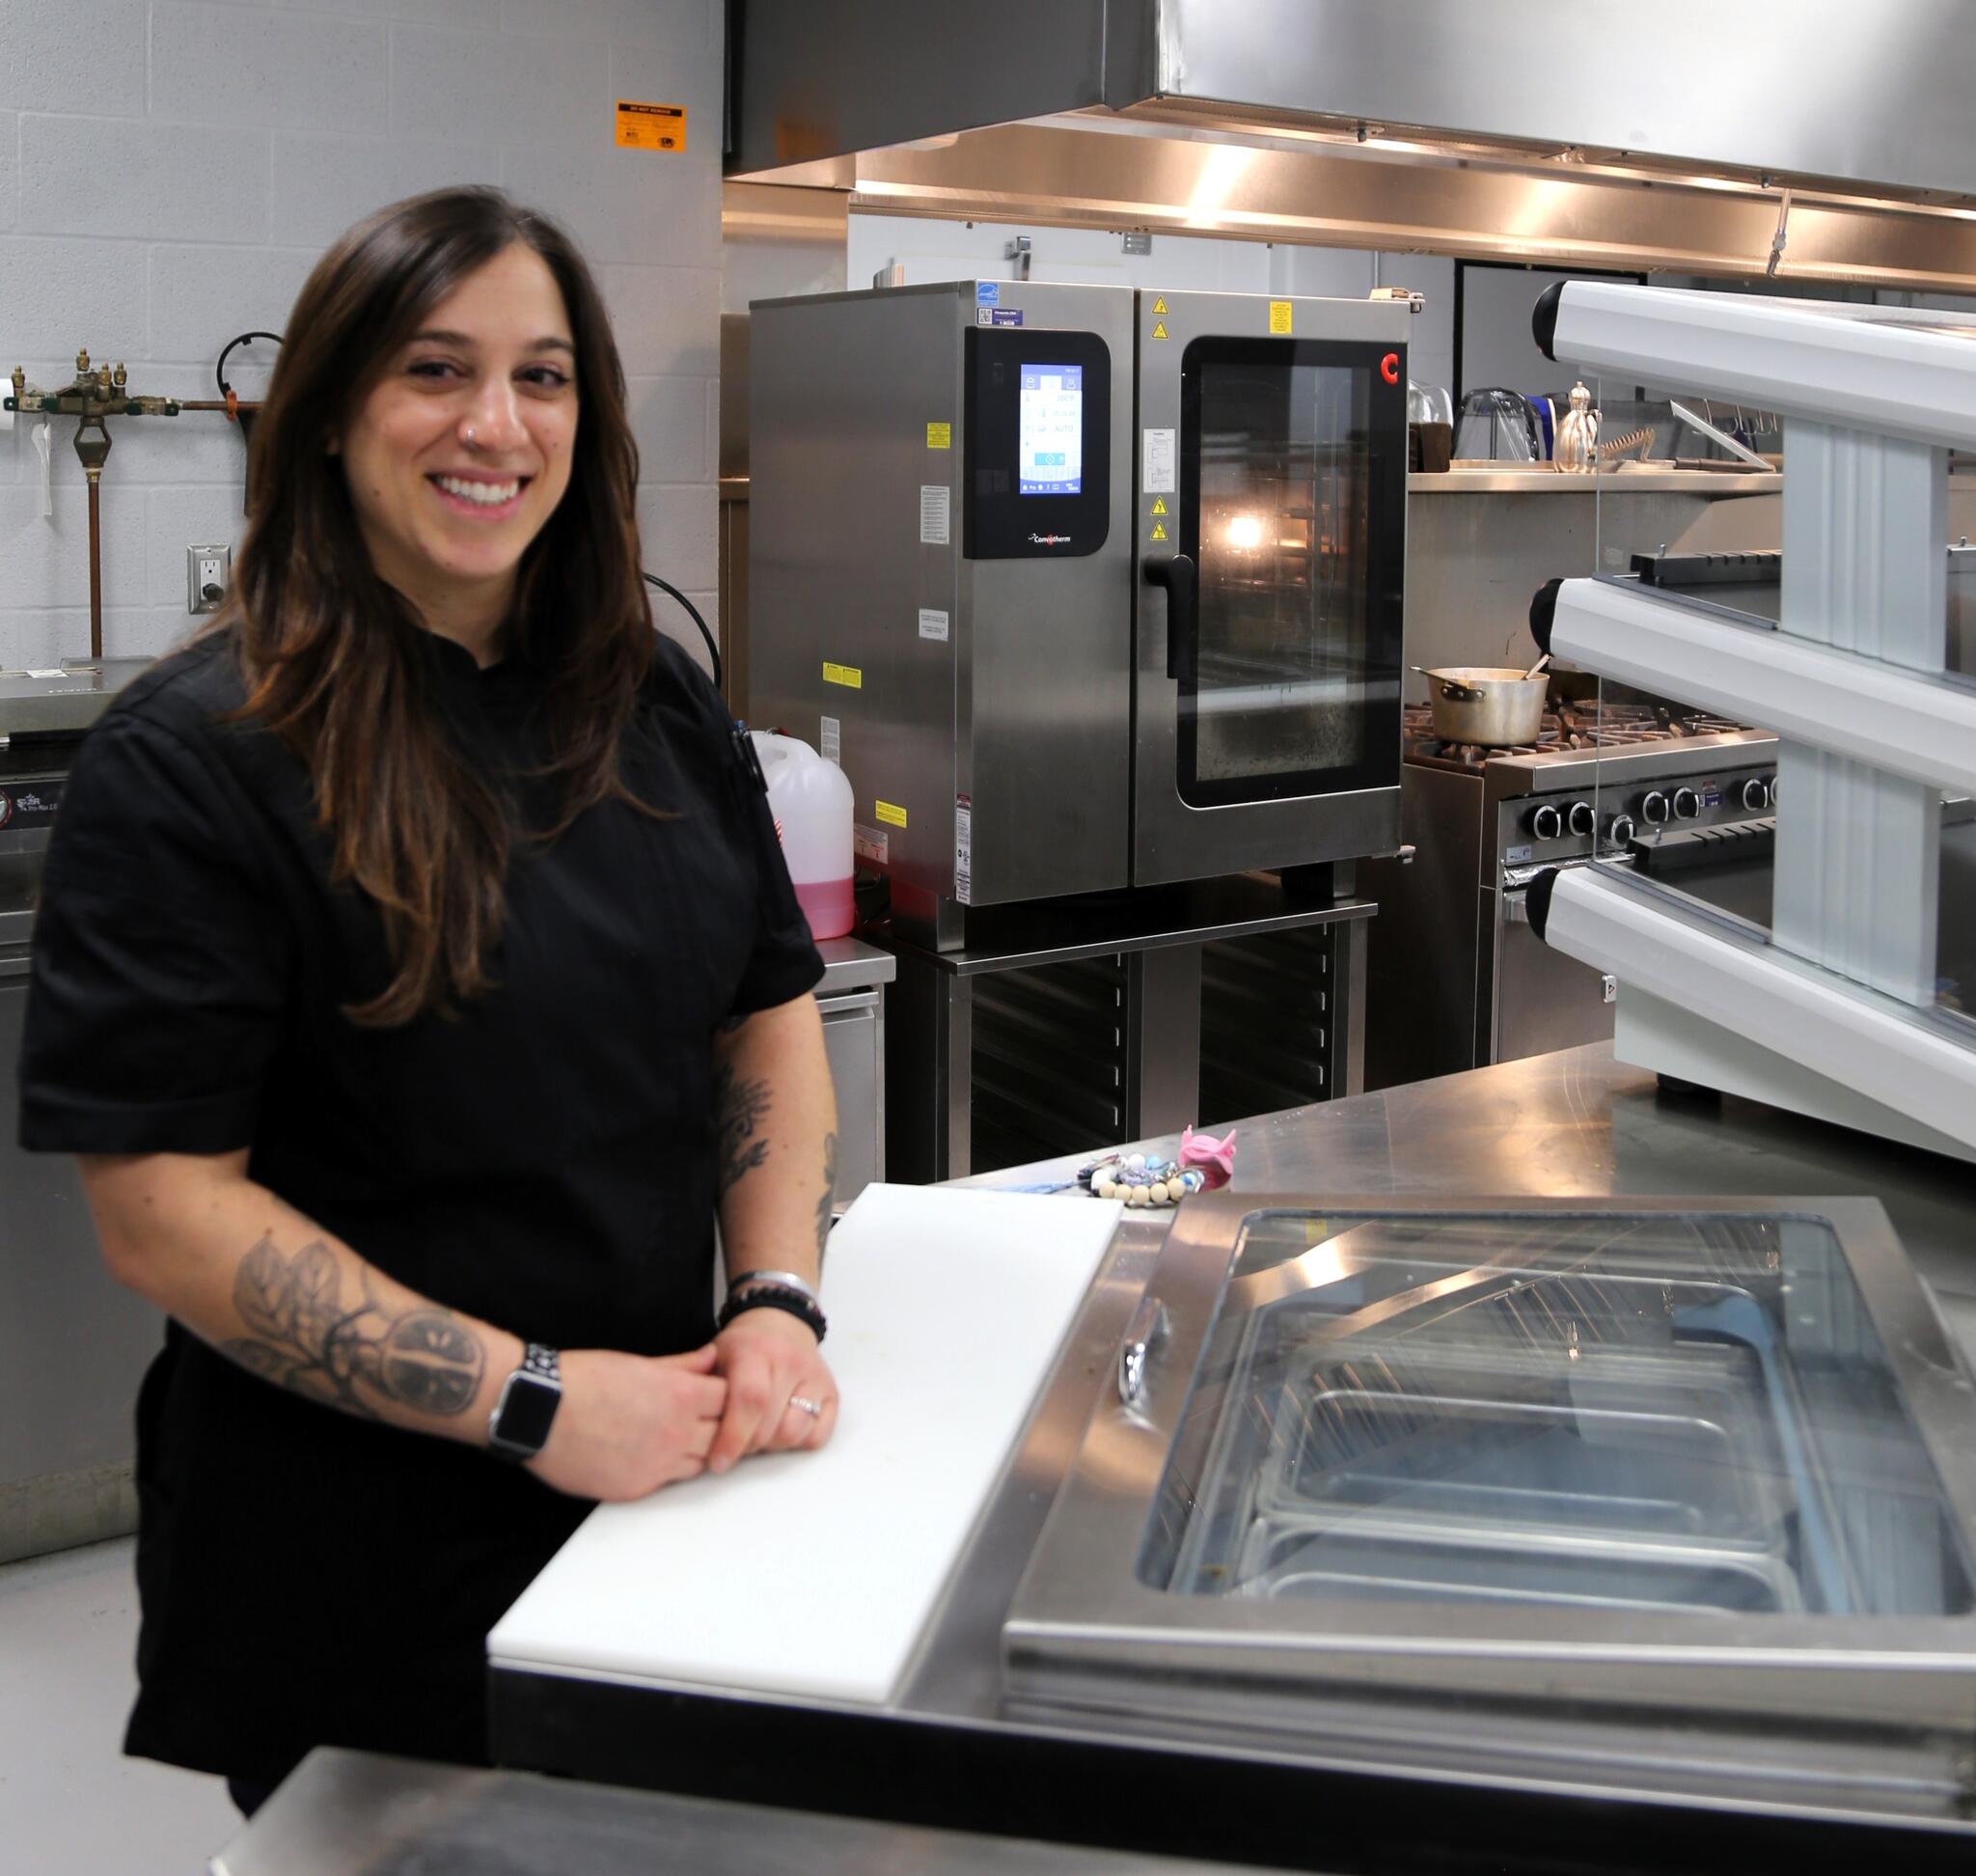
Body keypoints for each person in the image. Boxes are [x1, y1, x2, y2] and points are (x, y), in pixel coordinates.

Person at [16, 187, 840, 1812]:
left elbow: (764, 1009)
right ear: (328, 416)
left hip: (664, 1477)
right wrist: (534, 1401)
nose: (496, 424)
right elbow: (164, 1211)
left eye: (543, 377)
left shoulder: (649, 696)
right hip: (357, 1550)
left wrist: (776, 1301)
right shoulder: (197, 759)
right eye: (434, 370)